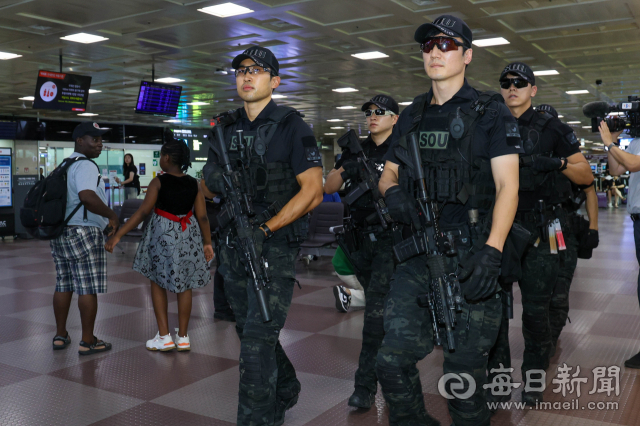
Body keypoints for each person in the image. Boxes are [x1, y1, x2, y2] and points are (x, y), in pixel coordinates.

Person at [376, 16, 522, 426]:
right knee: (389, 362)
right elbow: (387, 174)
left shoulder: (491, 111)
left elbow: (508, 186)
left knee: (463, 381)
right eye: (428, 46)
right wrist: (394, 193)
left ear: (468, 55)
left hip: (472, 253)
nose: (436, 51)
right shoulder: (412, 114)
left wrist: (492, 252)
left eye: (447, 44)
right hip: (418, 253)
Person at [201, 45, 323, 426]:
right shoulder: (224, 127)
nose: (247, 76)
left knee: (255, 346)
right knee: (248, 331)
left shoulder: (292, 126)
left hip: (275, 248)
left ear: (275, 80)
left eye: (257, 70)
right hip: (235, 247)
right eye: (240, 71)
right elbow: (205, 186)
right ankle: (285, 386)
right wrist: (218, 180)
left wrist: (266, 228)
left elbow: (313, 191)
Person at [494, 63, 593, 406]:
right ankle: (498, 381)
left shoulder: (552, 128)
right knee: (493, 311)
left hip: (543, 228)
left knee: (537, 311)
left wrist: (558, 164)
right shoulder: (490, 125)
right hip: (500, 228)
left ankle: (533, 379)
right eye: (505, 83)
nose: (512, 88)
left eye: (519, 83)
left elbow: (585, 175)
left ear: (533, 89)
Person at [324, 94, 399, 408]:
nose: (372, 116)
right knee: (381, 313)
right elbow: (328, 187)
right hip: (360, 241)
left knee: (375, 315)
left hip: (389, 239)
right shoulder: (356, 149)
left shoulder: (403, 149)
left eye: (380, 112)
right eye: (368, 112)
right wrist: (346, 169)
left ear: (395, 118)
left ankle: (365, 387)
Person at [105, 136, 213, 351]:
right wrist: (207, 243)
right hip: (188, 233)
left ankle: (164, 337)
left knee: (157, 280)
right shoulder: (194, 183)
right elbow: (202, 217)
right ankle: (183, 337)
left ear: (166, 158)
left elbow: (143, 212)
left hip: (163, 233)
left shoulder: (158, 182)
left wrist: (118, 236)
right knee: (186, 284)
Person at [534, 105, 599, 357]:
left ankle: (550, 340)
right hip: (535, 231)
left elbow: (590, 190)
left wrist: (593, 228)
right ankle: (541, 342)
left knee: (559, 292)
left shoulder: (569, 159)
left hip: (563, 230)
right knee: (538, 295)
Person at [50, 122, 119, 355]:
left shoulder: (64, 164)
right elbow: (87, 197)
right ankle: (88, 340)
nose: (99, 144)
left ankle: (60, 335)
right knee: (87, 288)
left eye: (101, 140)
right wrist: (111, 216)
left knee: (63, 284)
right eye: (94, 139)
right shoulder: (87, 165)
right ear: (80, 141)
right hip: (84, 233)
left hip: (61, 232)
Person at [599, 121, 640, 368]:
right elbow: (616, 170)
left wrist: (610, 143)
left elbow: (634, 164)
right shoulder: (634, 143)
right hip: (637, 222)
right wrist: (612, 142)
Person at [206, 195, 235, 322]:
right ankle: (221, 308)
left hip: (237, 223)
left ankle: (224, 307)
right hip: (227, 225)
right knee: (223, 267)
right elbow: (206, 189)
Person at [332, 246, 366, 312]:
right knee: (382, 295)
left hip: (341, 262)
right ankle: (348, 295)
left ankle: (347, 295)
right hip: (349, 269)